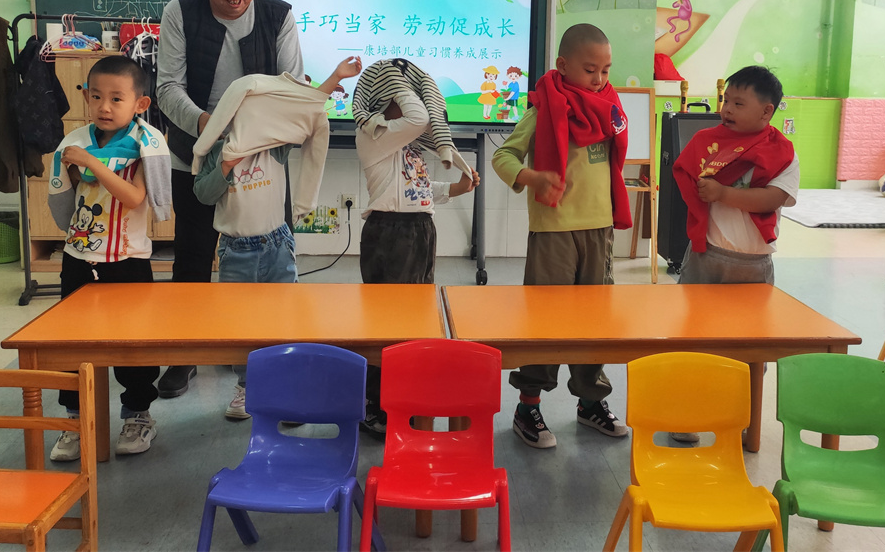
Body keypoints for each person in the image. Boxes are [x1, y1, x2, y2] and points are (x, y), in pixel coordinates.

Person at [156, 0, 304, 398]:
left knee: (266, 260)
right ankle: (185, 354)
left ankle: (260, 358)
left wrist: (251, 136)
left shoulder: (279, 16)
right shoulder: (180, 11)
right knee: (192, 257)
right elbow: (167, 88)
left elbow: (293, 88)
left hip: (261, 158)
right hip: (195, 152)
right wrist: (211, 127)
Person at [193, 59, 361, 419]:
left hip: (277, 245)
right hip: (236, 250)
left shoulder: (275, 146)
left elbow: (304, 112)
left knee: (285, 319)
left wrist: (333, 78)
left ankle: (287, 387)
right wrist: (225, 166)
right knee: (242, 325)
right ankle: (247, 385)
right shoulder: (218, 152)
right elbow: (203, 195)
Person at [491, 23, 633, 449]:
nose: (599, 79)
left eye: (606, 70)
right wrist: (532, 177)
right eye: (590, 70)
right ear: (562, 65)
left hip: (598, 231)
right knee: (545, 322)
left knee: (594, 323)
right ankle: (528, 405)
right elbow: (503, 155)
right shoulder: (544, 108)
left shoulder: (608, 108)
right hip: (554, 232)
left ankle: (591, 401)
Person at [47, 56, 172, 460]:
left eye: (117, 98)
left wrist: (91, 164)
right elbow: (67, 191)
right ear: (86, 96)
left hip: (128, 262)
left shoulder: (145, 143)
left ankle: (138, 415)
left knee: (133, 345)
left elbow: (134, 197)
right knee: (72, 344)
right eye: (97, 96)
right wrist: (78, 165)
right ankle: (74, 420)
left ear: (140, 103)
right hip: (79, 258)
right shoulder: (75, 142)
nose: (105, 106)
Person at [670, 65, 798, 443]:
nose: (726, 109)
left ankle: (741, 420)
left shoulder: (780, 152)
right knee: (692, 339)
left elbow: (773, 198)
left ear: (766, 111)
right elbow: (685, 173)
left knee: (750, 347)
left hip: (753, 267)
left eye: (739, 103)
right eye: (726, 100)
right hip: (706, 258)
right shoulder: (707, 141)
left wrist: (723, 193)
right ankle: (688, 416)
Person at [353, 58, 479, 437]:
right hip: (389, 234)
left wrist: (457, 188)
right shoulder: (374, 135)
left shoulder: (408, 145)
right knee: (387, 325)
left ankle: (402, 397)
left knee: (415, 322)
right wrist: (406, 82)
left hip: (420, 230)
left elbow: (420, 188)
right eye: (400, 95)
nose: (410, 102)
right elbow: (421, 116)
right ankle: (375, 403)